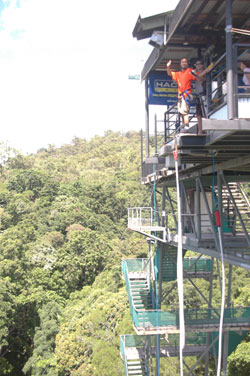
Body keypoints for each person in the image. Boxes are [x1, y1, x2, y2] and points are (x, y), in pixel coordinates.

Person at [167, 58, 195, 133]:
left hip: (186, 95)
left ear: (187, 63)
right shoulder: (178, 73)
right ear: (180, 64)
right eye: (182, 62)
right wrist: (168, 67)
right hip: (180, 96)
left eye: (185, 62)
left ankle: (186, 127)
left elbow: (197, 75)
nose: (184, 63)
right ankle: (184, 127)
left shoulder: (189, 71)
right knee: (181, 112)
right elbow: (170, 73)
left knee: (185, 112)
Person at [193, 60, 207, 135]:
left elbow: (202, 80)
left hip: (204, 94)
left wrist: (197, 75)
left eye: (199, 64)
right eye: (196, 64)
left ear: (202, 65)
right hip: (198, 95)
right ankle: (200, 131)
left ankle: (206, 129)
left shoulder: (205, 72)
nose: (198, 66)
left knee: (205, 113)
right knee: (198, 115)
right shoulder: (196, 73)